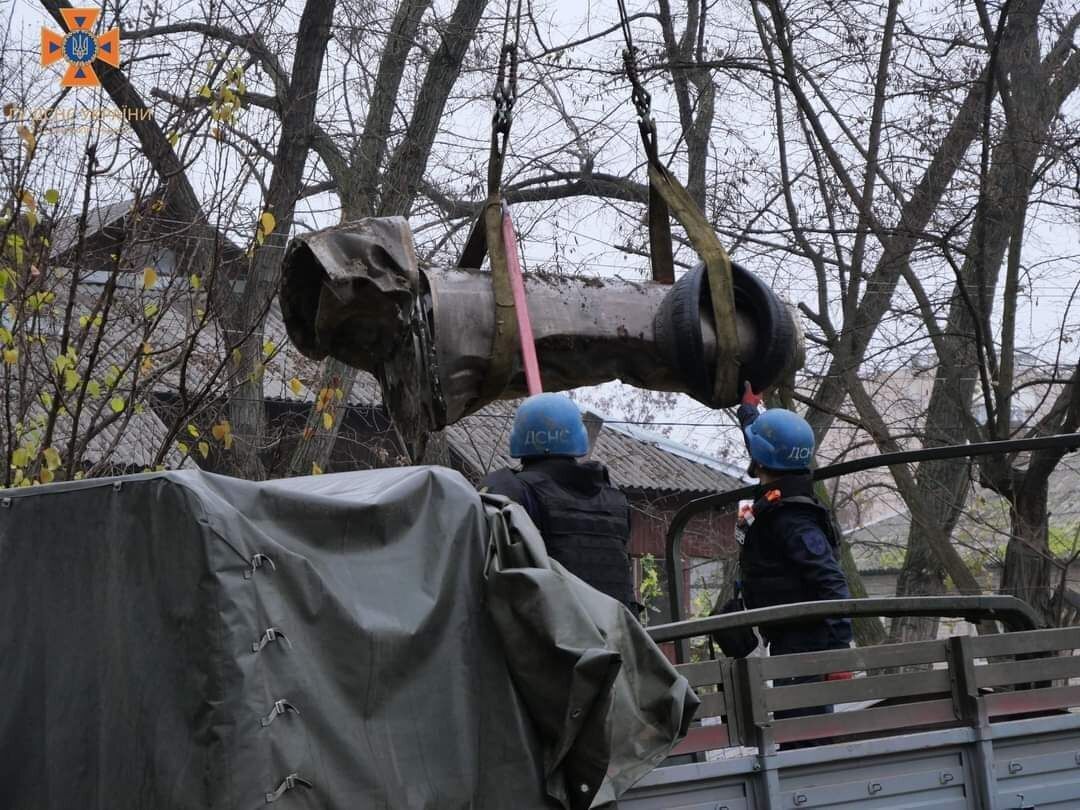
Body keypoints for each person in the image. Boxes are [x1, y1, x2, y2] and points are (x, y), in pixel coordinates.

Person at [735, 383, 853, 730]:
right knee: (794, 725)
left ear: (762, 460)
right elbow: (766, 448)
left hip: (807, 644)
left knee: (803, 732)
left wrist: (839, 652)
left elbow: (832, 581)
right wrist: (748, 411)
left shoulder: (792, 519)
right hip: (789, 637)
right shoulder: (781, 488)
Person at [479, 393, 638, 614]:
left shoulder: (509, 492)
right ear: (578, 438)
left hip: (553, 640)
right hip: (618, 638)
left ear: (518, 438)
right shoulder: (616, 500)